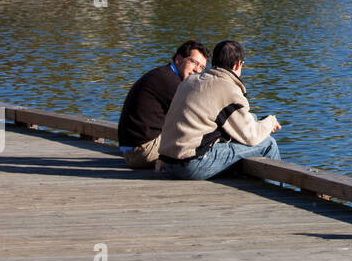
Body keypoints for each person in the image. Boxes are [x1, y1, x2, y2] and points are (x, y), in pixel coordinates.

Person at [159, 40, 281, 180]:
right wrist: (270, 122)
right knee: (268, 143)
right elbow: (251, 136)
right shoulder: (227, 88)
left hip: (168, 162)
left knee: (251, 118)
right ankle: (276, 194)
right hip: (190, 165)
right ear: (237, 65)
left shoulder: (191, 81)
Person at [117, 41, 209, 169]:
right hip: (142, 152)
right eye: (194, 62)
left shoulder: (163, 74)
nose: (197, 70)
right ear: (178, 59)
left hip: (133, 150)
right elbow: (193, 118)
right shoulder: (170, 82)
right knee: (204, 135)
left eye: (202, 67)